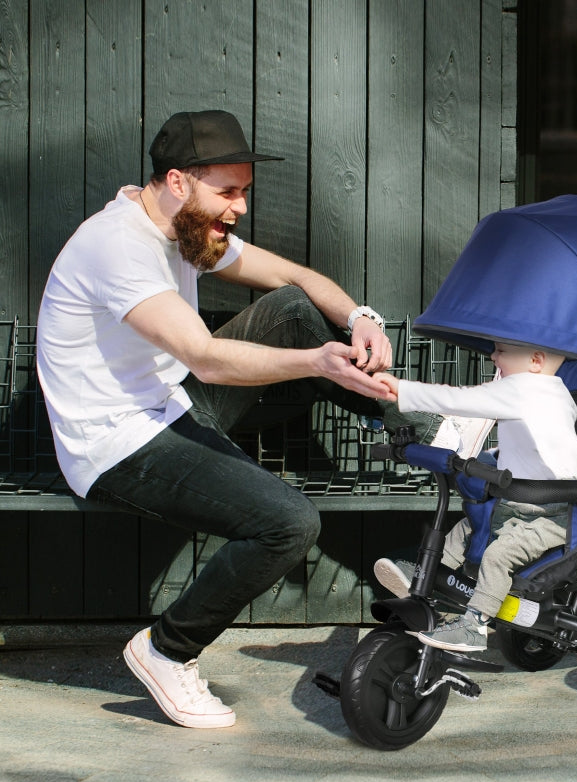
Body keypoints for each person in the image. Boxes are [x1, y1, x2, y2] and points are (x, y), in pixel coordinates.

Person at [36, 109, 442, 729]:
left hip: (172, 405)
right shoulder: (117, 246)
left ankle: (425, 432)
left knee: (291, 307)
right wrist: (318, 361)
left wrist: (361, 316)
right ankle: (167, 650)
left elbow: (292, 277)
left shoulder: (185, 228)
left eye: (244, 192)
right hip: (114, 444)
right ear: (179, 182)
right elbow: (207, 358)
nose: (239, 208)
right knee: (288, 524)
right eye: (228, 192)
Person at [372, 342, 577, 652]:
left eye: (502, 351)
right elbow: (536, 447)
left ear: (535, 360)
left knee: (498, 555)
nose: (493, 356)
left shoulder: (526, 389)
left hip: (548, 514)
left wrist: (402, 391)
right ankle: (425, 574)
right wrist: (492, 457)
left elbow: (461, 399)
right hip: (516, 502)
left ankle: (475, 626)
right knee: (466, 530)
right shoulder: (555, 393)